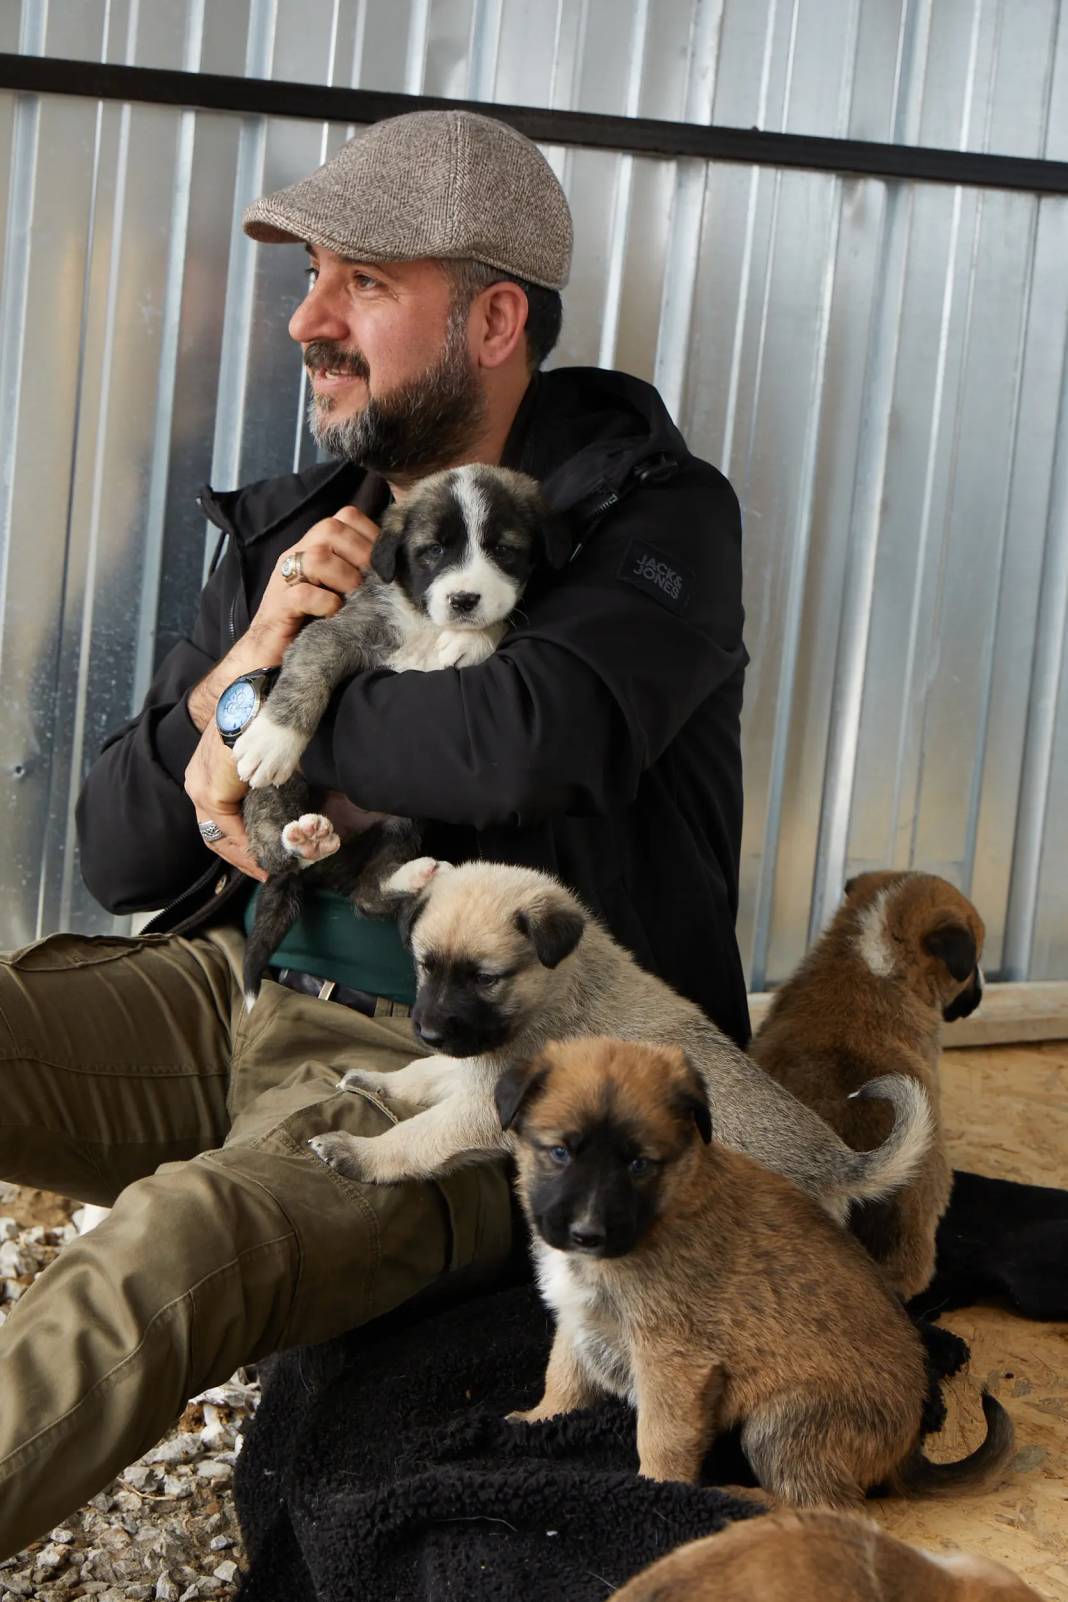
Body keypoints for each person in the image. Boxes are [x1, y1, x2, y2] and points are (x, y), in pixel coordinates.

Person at [0, 109, 748, 1553]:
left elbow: (532, 737)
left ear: (494, 321)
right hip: (243, 988)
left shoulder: (645, 521)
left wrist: (281, 711)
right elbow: (120, 853)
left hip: (474, 1073)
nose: (307, 321)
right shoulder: (304, 530)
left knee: (168, 1247)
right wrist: (240, 677)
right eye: (312, 279)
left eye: (363, 284)